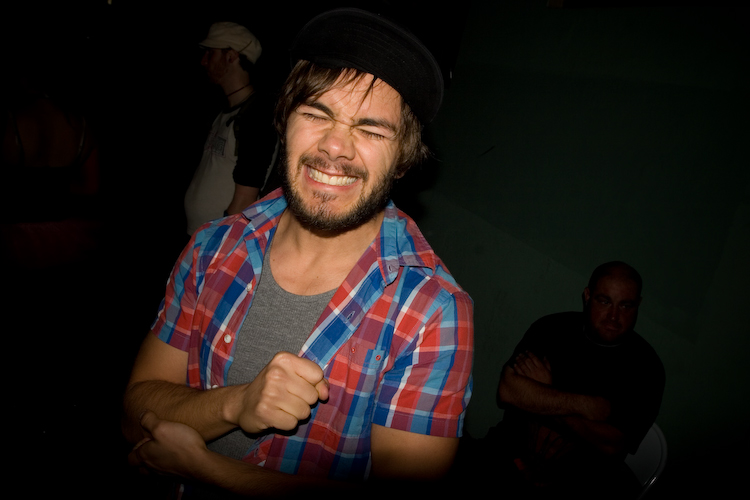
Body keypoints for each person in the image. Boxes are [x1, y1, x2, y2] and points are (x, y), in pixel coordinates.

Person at [123, 8, 473, 498]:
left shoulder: (431, 312)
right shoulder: (213, 247)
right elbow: (135, 412)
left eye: (371, 130)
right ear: (285, 121)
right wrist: (235, 405)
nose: (335, 147)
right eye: (316, 114)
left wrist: (209, 470)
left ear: (402, 161)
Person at [485, 261, 664, 498]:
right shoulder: (551, 328)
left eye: (625, 305)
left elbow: (612, 444)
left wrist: (543, 391)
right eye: (604, 301)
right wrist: (587, 406)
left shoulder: (646, 367)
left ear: (637, 304)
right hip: (503, 462)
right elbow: (508, 391)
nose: (613, 316)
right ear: (587, 296)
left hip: (580, 489)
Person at [184, 21, 278, 236]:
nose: (204, 61)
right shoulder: (224, 112)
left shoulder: (257, 116)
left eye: (211, 53)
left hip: (216, 241)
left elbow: (245, 199)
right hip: (198, 237)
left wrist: (221, 243)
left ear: (231, 56)